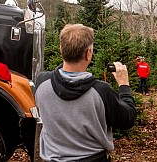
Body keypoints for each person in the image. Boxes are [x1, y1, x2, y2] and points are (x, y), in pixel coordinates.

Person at [35, 24, 136, 161]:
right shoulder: (101, 91)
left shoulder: (42, 82)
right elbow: (127, 119)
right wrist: (124, 85)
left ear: (61, 49)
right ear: (88, 53)